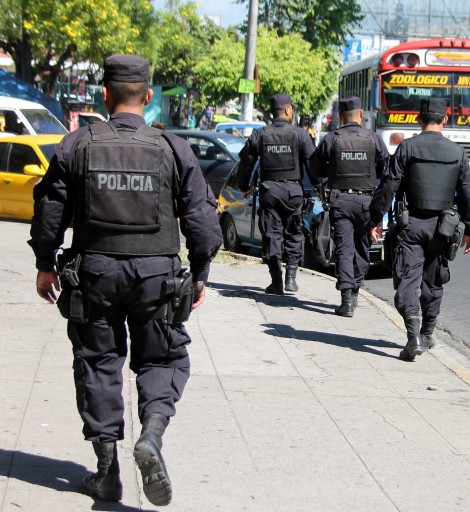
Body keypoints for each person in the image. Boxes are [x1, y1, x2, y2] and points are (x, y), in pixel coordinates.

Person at [28, 54, 222, 506]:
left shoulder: (76, 144)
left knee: (97, 363)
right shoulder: (172, 148)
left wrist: (44, 263)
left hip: (94, 274)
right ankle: (151, 435)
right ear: (148, 96)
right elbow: (202, 218)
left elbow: (50, 210)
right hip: (157, 277)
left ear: (104, 95)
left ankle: (107, 472)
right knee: (162, 359)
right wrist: (199, 273)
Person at [369, 98, 470, 361]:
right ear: (445, 120)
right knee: (433, 279)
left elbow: (389, 185)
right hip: (443, 228)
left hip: (410, 225)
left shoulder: (407, 147)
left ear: (419, 120)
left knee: (407, 279)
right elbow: (467, 192)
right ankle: (427, 334)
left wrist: (375, 219)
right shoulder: (458, 152)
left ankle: (413, 336)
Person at [310, 96, 389, 316]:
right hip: (366, 202)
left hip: (341, 201)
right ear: (361, 115)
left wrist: (327, 176)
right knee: (362, 248)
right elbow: (386, 169)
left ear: (340, 117)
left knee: (344, 249)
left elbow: (315, 167)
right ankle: (354, 292)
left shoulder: (331, 139)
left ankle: (346, 300)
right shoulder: (374, 139)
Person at [237, 93, 317, 295]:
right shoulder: (300, 134)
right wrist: (321, 187)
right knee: (294, 233)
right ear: (288, 110)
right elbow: (313, 165)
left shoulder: (260, 134)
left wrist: (244, 186)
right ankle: (291, 279)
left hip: (270, 192)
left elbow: (246, 161)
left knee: (271, 235)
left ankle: (276, 281)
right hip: (293, 193)